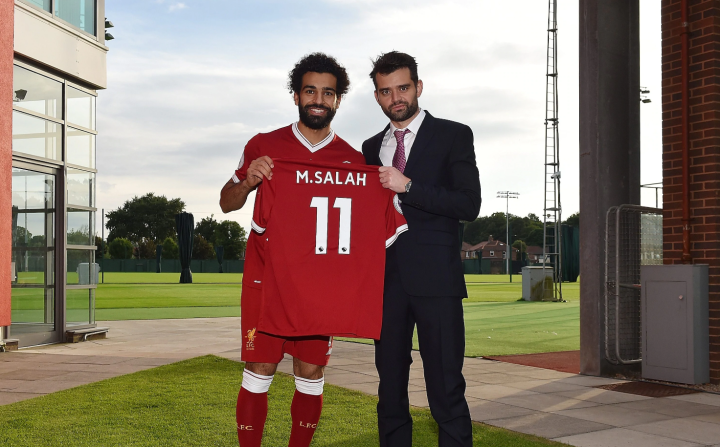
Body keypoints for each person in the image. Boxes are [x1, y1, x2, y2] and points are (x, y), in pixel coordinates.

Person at [220, 52, 364, 447]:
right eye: (310, 91)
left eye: (328, 93)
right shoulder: (263, 144)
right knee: (259, 369)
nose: (319, 99)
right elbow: (226, 203)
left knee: (311, 373)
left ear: (338, 100)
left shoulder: (353, 160)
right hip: (266, 282)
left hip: (318, 288)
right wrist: (248, 181)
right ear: (296, 95)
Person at [362, 51, 481, 447]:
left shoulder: (453, 135)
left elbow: (468, 204)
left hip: (437, 281)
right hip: (385, 285)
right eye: (385, 91)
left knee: (446, 387)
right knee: (390, 388)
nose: (395, 97)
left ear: (418, 87)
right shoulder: (369, 148)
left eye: (402, 87)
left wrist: (408, 186)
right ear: (377, 96)